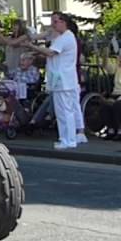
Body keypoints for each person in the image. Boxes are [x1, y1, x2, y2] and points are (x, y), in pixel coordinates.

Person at [28, 11, 82, 149]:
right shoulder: (63, 37)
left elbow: (51, 52)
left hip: (64, 80)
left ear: (64, 22)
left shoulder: (66, 37)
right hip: (61, 79)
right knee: (62, 111)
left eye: (55, 22)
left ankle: (68, 139)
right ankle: (65, 138)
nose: (53, 25)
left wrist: (32, 46)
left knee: (65, 111)